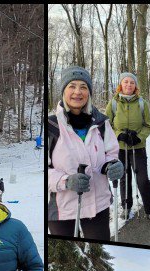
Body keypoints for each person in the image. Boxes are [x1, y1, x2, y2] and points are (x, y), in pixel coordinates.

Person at [48, 66, 124, 240]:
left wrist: (112, 165)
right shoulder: (52, 127)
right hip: (62, 209)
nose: (78, 92)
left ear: (89, 92)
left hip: (98, 205)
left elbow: (111, 154)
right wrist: (65, 181)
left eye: (83, 87)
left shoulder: (101, 123)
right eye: (72, 86)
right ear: (63, 91)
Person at [106, 72, 150, 224]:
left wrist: (138, 137)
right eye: (126, 82)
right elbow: (106, 124)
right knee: (124, 178)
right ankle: (126, 206)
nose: (129, 85)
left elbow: (148, 126)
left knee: (142, 180)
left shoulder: (142, 103)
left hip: (138, 147)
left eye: (132, 82)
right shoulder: (114, 103)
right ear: (121, 85)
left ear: (135, 85)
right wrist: (118, 134)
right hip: (120, 148)